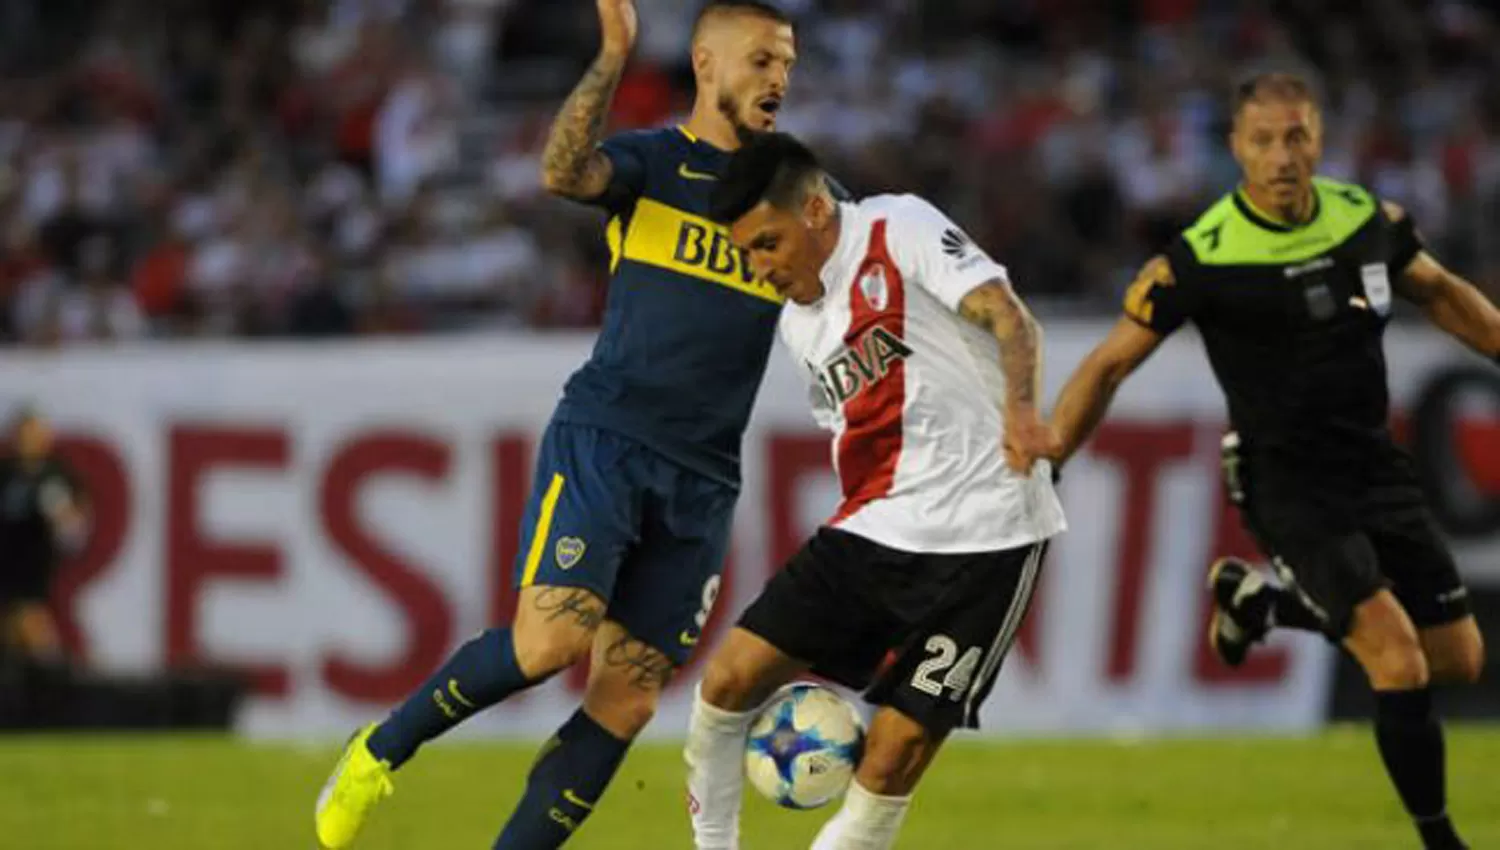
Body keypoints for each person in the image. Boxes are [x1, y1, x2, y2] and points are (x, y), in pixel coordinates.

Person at [314, 2, 800, 848]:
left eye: (787, 64)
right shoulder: (655, 163)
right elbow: (562, 171)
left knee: (629, 695)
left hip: (707, 478)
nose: (779, 79)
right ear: (707, 65)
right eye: (761, 60)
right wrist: (611, 55)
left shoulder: (794, 200)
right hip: (611, 438)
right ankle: (378, 748)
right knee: (551, 641)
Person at [1040, 73, 1498, 850]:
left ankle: (1262, 607)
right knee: (1397, 659)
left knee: (1459, 657)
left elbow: (1445, 295)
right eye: (1264, 141)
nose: (1282, 156)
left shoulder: (1364, 220)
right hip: (1285, 482)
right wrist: (1053, 448)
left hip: (1377, 470)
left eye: (1296, 137)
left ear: (1319, 138)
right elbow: (1110, 363)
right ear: (1235, 149)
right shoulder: (1203, 256)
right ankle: (1443, 841)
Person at [683, 133, 1065, 850]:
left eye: (768, 244)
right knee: (726, 684)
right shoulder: (799, 326)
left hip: (990, 535)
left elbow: (1008, 315)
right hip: (876, 529)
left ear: (817, 209)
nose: (760, 269)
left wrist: (1020, 410)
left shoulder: (898, 226)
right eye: (748, 255)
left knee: (893, 757)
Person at [0, 407, 86, 666]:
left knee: (30, 623)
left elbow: (72, 536)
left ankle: (52, 678)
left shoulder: (55, 478)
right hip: (5, 570)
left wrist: (60, 515)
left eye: (32, 434)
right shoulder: (5, 476)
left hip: (34, 574)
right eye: (21, 434)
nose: (25, 441)